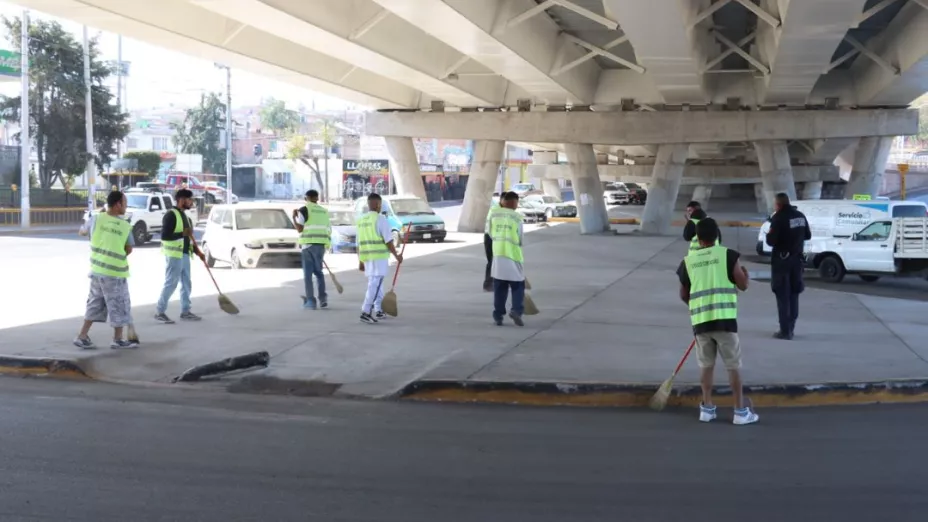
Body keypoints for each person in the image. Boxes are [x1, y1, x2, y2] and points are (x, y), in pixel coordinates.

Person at [678, 218, 757, 425]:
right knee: (733, 366)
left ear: (698, 238)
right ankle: (740, 412)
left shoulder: (688, 261)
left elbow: (684, 294)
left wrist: (697, 308)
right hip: (725, 321)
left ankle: (707, 409)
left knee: (706, 366)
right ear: (717, 236)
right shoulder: (728, 255)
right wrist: (746, 275)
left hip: (701, 323)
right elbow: (743, 285)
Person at [73, 190, 139, 350]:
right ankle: (118, 339)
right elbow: (129, 249)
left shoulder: (96, 219)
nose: (126, 207)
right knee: (119, 304)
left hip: (97, 271)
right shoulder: (125, 225)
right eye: (125, 203)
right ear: (117, 205)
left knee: (95, 303)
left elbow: (82, 231)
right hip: (115, 273)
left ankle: (82, 336)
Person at [765, 192, 811, 340]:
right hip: (797, 261)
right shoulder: (800, 216)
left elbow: (771, 241)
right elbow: (808, 235)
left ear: (778, 204)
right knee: (794, 293)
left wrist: (769, 234)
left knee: (782, 295)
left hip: (782, 262)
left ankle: (785, 331)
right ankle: (791, 327)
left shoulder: (778, 218)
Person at [155, 189, 205, 324]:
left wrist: (198, 252)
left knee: (186, 283)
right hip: (174, 255)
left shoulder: (186, 218)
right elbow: (165, 236)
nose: (191, 202)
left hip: (185, 254)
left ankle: (185, 311)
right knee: (171, 283)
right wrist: (182, 233)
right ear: (182, 200)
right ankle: (160, 311)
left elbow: (189, 239)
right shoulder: (170, 215)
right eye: (189, 199)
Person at [356, 193, 403, 324]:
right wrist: (397, 256)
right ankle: (365, 312)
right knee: (375, 285)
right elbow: (388, 241)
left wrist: (360, 261)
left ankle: (379, 310)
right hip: (379, 257)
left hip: (367, 257)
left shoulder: (361, 220)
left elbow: (358, 243)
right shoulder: (380, 219)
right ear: (378, 204)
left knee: (376, 283)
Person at [490, 191, 526, 327]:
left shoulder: (494, 215)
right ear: (514, 202)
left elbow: (490, 233)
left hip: (498, 255)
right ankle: (516, 310)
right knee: (518, 286)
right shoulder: (517, 217)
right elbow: (520, 238)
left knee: (499, 287)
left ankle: (498, 316)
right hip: (513, 256)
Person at [292, 190, 331, 309]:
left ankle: (310, 301)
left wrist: (294, 217)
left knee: (308, 275)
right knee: (319, 273)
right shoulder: (324, 211)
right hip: (321, 245)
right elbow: (328, 229)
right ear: (317, 198)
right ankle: (323, 299)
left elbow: (300, 229)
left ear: (307, 198)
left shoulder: (304, 209)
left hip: (308, 245)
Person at [484, 193, 506, 292]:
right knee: (492, 261)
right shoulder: (495, 210)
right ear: (501, 200)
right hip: (490, 238)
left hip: (499, 238)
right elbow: (490, 227)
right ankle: (488, 284)